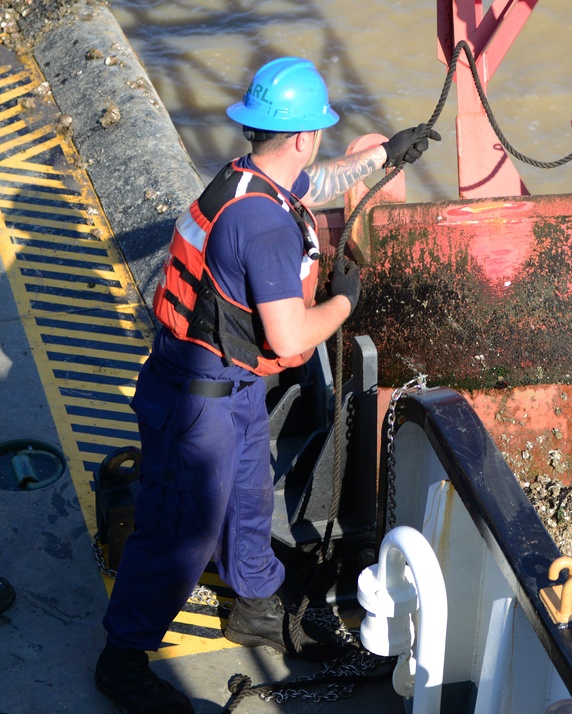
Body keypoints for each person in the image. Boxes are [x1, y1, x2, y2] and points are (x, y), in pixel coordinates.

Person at [94, 56, 440, 714]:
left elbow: (323, 179)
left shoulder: (250, 180)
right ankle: (121, 660)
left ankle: (255, 607)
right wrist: (345, 300)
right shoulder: (262, 227)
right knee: (179, 535)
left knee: (249, 503)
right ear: (305, 134)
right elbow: (288, 338)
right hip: (199, 403)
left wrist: (386, 156)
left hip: (231, 389)